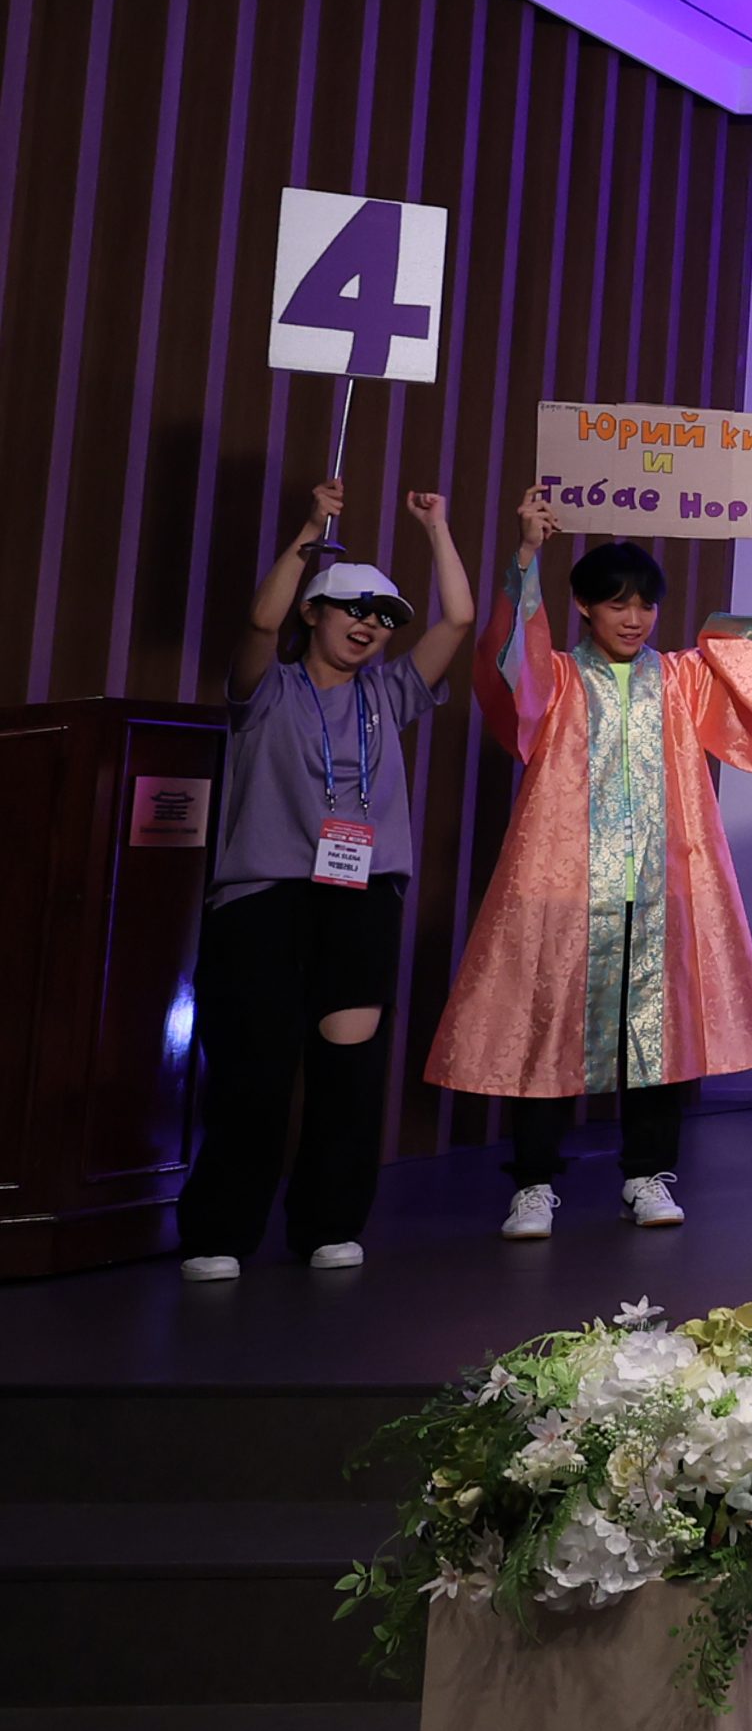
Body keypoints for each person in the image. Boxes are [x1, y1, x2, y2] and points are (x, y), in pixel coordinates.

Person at [426, 487, 752, 1243]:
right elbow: (510, 662)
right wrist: (526, 554)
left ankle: (647, 1174)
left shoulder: (683, 678)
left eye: (645, 605)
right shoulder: (560, 677)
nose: (633, 618)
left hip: (660, 889)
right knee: (547, 1032)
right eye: (617, 603)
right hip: (562, 888)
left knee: (658, 1035)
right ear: (584, 607)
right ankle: (533, 1184)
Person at [177, 482, 477, 1281]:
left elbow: (457, 621)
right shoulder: (267, 687)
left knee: (349, 1072)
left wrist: (437, 528)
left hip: (361, 895)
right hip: (263, 898)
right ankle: (218, 1234)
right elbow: (258, 623)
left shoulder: (389, 693)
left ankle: (329, 1224)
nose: (370, 625)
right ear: (314, 612)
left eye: (384, 617)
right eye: (354, 608)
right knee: (255, 1067)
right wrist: (312, 528)